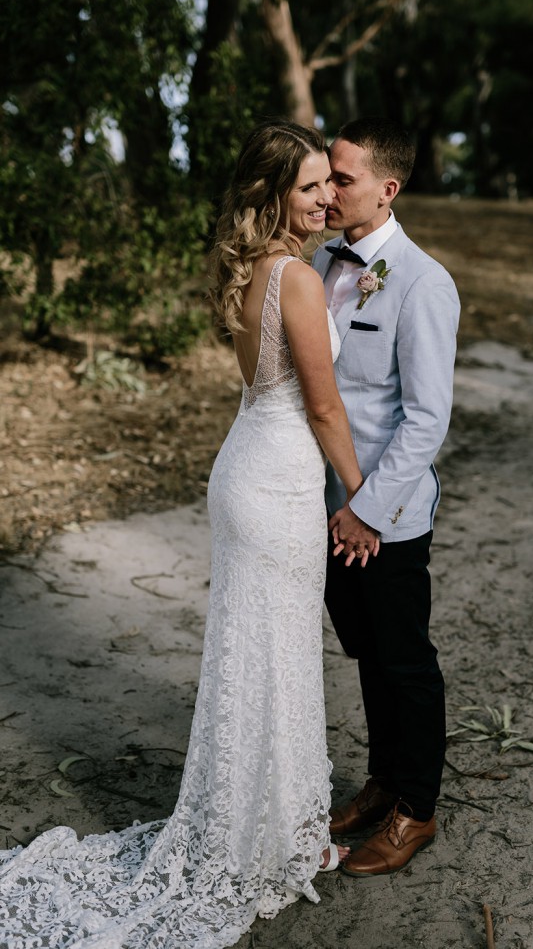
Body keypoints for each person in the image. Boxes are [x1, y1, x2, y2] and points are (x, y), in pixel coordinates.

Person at [0, 120, 377, 948]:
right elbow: (323, 407)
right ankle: (274, 839)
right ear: (273, 194)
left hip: (246, 465)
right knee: (277, 655)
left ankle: (267, 828)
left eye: (329, 182)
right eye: (310, 186)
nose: (326, 198)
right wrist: (366, 493)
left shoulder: (257, 267)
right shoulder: (297, 279)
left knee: (259, 654)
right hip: (277, 482)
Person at [312, 117, 460, 876]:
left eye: (344, 179)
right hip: (322, 503)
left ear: (387, 188)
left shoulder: (424, 282)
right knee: (366, 650)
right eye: (327, 175)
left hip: (385, 516)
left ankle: (417, 808)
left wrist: (368, 511)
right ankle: (383, 781)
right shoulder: (319, 260)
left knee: (404, 659)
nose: (329, 191)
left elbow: (426, 418)